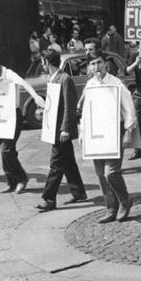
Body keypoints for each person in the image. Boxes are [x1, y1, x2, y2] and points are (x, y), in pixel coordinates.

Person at [0, 52, 45, 194]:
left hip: (13, 117)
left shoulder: (9, 74)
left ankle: (21, 178)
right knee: (4, 151)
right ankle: (11, 182)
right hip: (1, 117)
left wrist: (36, 97)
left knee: (7, 150)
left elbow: (25, 84)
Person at [82, 51, 136, 223]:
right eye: (93, 64)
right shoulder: (89, 84)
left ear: (105, 64)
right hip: (95, 134)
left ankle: (125, 200)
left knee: (110, 173)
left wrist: (129, 131)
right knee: (100, 174)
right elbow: (85, 111)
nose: (96, 67)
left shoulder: (116, 83)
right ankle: (111, 208)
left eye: (99, 63)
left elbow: (128, 108)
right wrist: (83, 132)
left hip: (113, 132)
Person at [35, 49, 88, 212]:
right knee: (68, 162)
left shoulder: (64, 79)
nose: (42, 64)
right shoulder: (53, 79)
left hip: (61, 131)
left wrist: (66, 129)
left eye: (42, 61)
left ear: (46, 62)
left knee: (56, 164)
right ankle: (78, 192)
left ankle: (49, 198)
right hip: (55, 129)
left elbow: (69, 107)